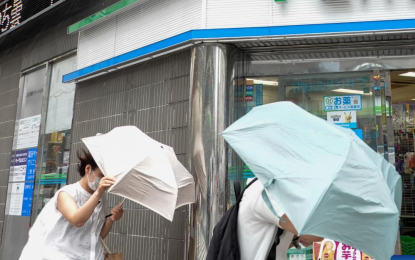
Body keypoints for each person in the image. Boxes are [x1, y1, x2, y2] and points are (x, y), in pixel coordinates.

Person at [19, 150, 124, 260]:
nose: (103, 181)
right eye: (101, 176)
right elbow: (77, 220)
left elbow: (96, 235)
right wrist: (98, 193)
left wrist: (112, 219)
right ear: (88, 169)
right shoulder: (67, 193)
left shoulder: (102, 197)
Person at [238, 179, 323, 260]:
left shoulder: (279, 191)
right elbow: (314, 232)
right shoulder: (266, 190)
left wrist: (296, 238)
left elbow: (279, 244)